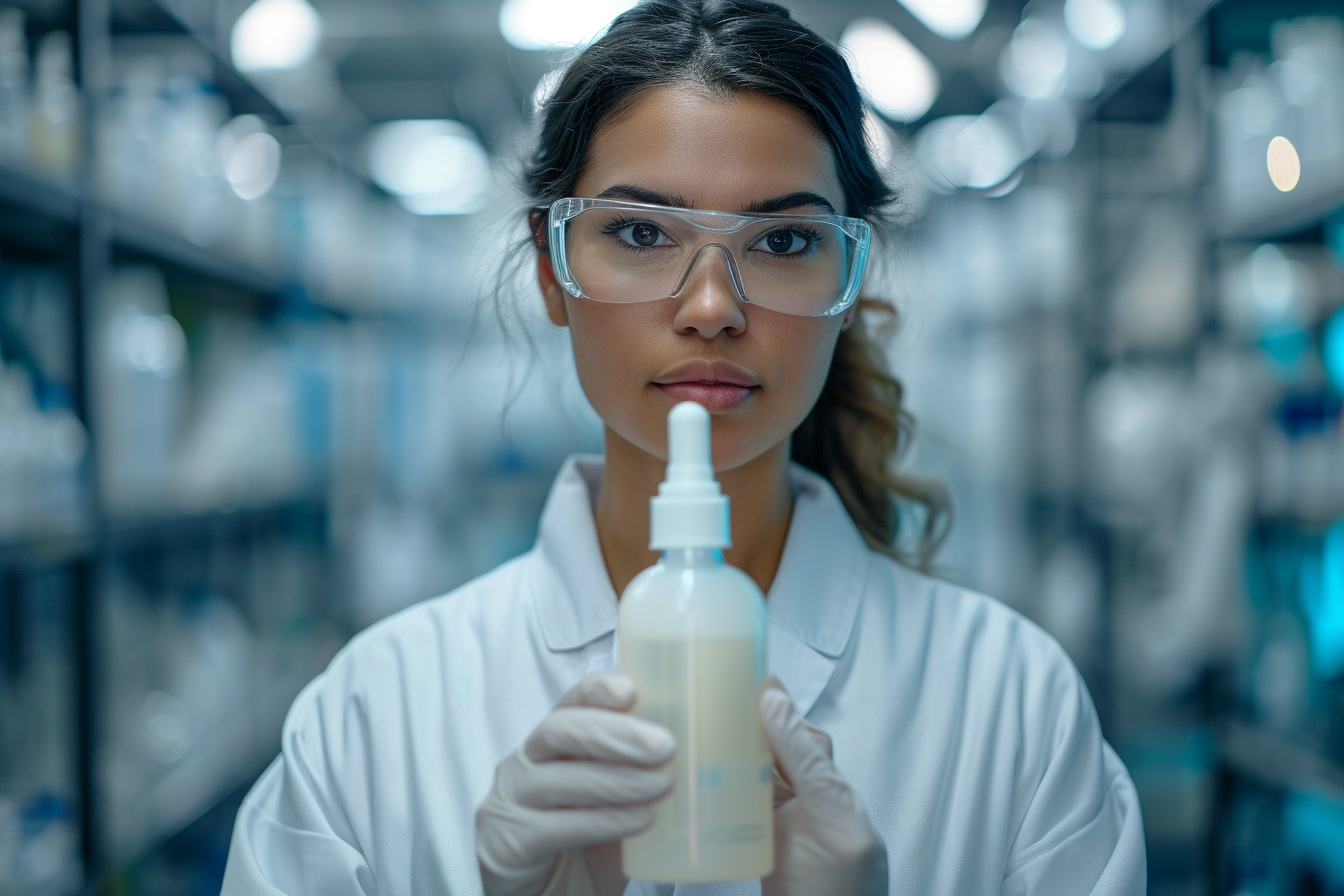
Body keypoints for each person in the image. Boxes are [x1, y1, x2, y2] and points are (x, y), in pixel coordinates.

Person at [221, 1, 1147, 893]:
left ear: (851, 281)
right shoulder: (374, 719)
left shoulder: (1013, 711)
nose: (712, 307)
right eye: (638, 232)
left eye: (784, 238)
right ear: (552, 273)